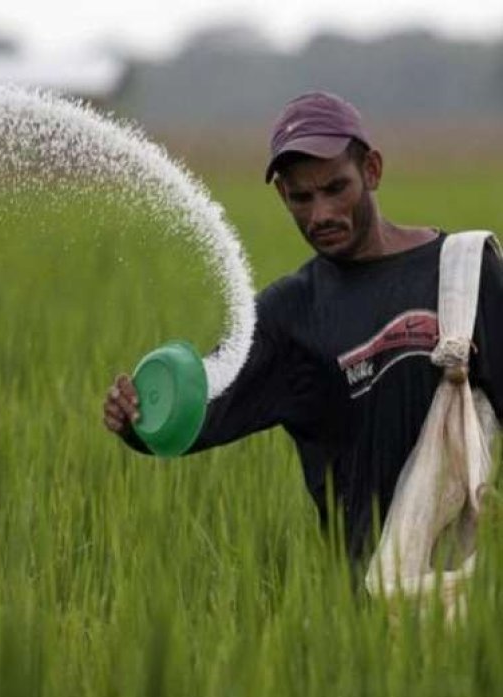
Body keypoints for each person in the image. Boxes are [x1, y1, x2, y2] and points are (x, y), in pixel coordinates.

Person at [102, 90, 503, 560]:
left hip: (477, 582)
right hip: (371, 598)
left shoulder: (464, 271)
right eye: (301, 197)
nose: (321, 215)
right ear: (282, 195)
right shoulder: (289, 315)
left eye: (336, 188)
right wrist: (137, 417)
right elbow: (202, 410)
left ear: (371, 170)